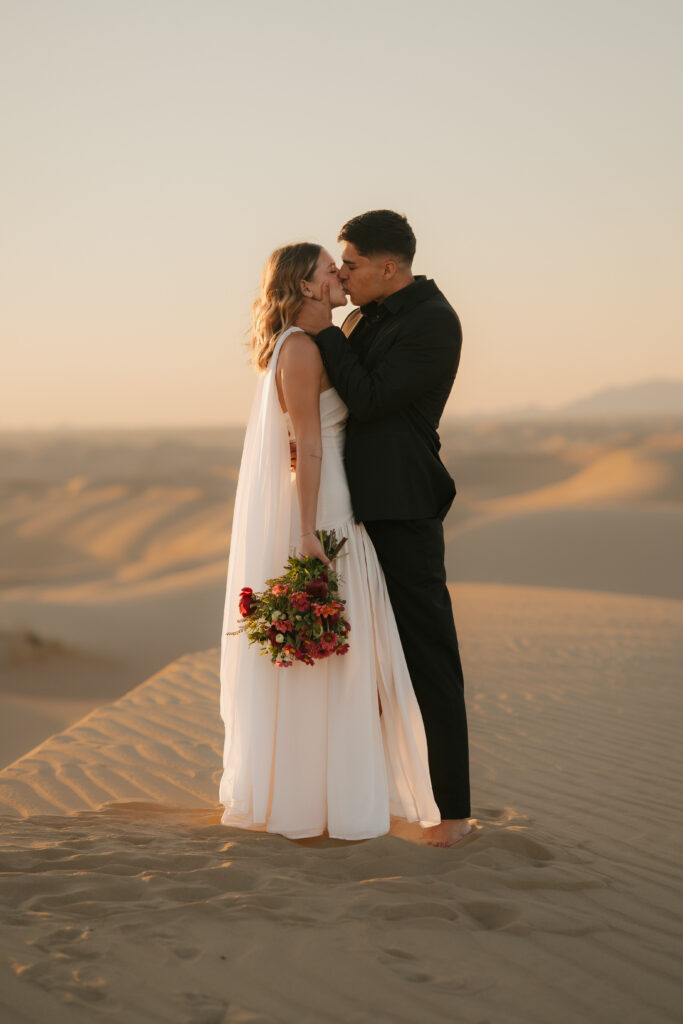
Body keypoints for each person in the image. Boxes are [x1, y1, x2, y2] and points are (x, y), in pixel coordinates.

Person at [218, 241, 442, 841]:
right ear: (308, 286)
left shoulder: (319, 341)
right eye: (328, 269)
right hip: (329, 505)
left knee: (348, 649)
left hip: (339, 496)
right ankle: (324, 798)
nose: (340, 274)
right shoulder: (299, 347)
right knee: (341, 650)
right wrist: (308, 532)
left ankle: (337, 788)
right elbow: (308, 446)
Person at [295, 210, 472, 847]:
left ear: (389, 268)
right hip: (351, 507)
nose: (343, 273)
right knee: (358, 661)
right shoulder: (361, 317)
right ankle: (362, 795)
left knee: (427, 655)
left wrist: (324, 333)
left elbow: (369, 399)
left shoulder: (434, 322)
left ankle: (452, 814)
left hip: (402, 506)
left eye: (353, 264)